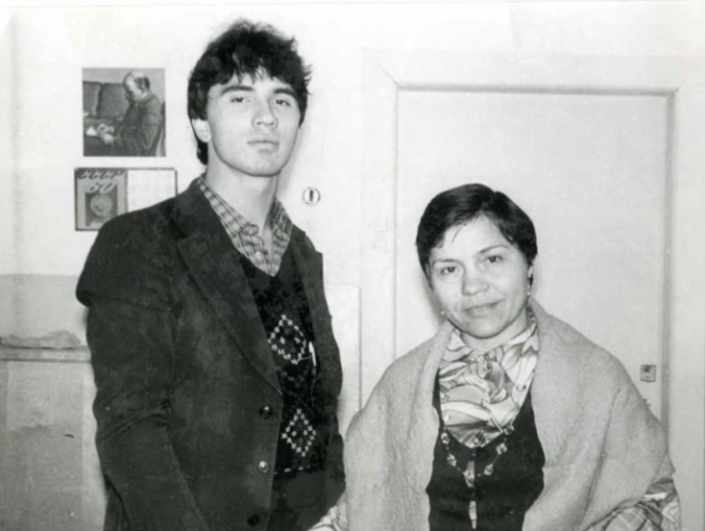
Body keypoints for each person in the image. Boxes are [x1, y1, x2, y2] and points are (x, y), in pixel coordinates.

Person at [77, 20, 345, 531]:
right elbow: (131, 431)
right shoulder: (139, 242)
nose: (266, 117)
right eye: (240, 98)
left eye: (283, 100)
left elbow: (319, 411)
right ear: (201, 122)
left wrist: (336, 507)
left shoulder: (303, 253)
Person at [311, 183, 680, 531]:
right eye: (449, 269)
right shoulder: (399, 385)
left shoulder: (597, 377)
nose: (473, 285)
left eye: (492, 259)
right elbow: (356, 509)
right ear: (431, 283)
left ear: (528, 263)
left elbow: (654, 500)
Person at [97, 71, 163, 156]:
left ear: (142, 89)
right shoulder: (137, 100)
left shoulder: (151, 108)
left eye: (130, 92)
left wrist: (112, 141)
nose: (126, 96)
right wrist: (111, 129)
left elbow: (143, 144)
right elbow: (129, 126)